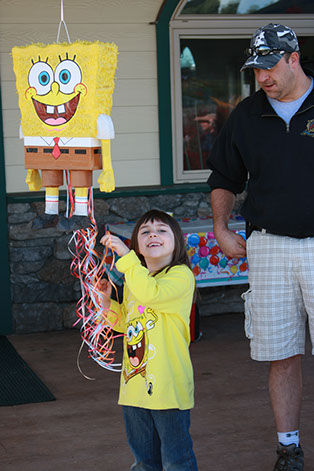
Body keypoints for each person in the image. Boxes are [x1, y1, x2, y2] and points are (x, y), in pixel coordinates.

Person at [207, 23, 313, 471]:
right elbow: (224, 177)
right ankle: (288, 448)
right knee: (280, 352)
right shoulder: (247, 115)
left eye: (270, 66)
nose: (263, 77)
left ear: (293, 58)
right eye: (256, 69)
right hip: (267, 247)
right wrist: (221, 227)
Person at [99, 209, 198, 471]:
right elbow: (127, 323)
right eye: (145, 231)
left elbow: (151, 295)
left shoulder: (180, 276)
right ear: (139, 245)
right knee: (144, 461)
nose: (153, 233)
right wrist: (107, 301)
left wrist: (127, 258)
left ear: (177, 242)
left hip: (168, 387)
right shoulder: (136, 279)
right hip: (134, 387)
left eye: (161, 230)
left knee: (176, 460)